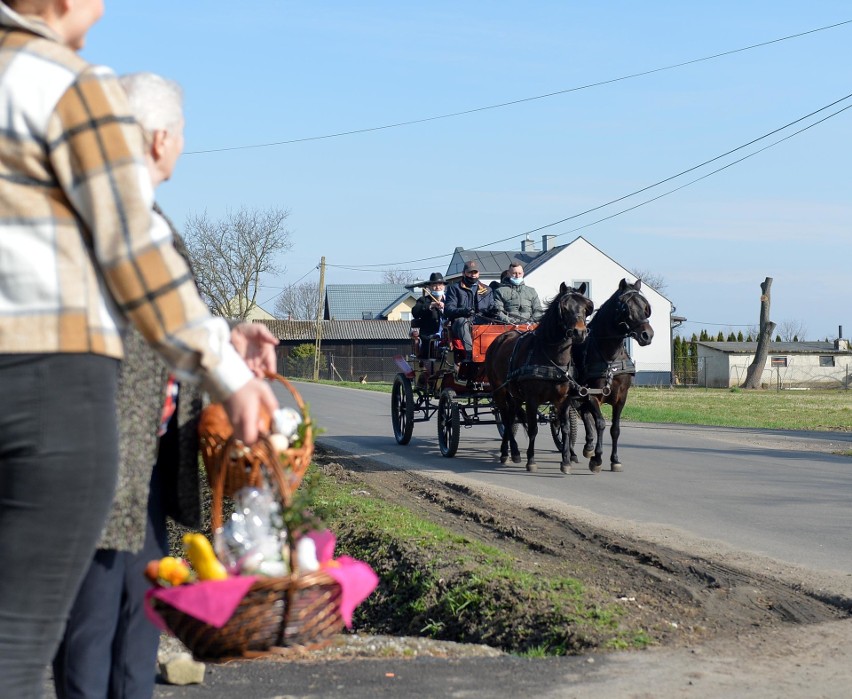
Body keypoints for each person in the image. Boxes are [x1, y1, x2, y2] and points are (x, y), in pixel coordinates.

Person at [0, 4, 276, 696]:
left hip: (139, 465)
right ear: (156, 140)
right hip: (82, 430)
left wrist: (223, 335)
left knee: (125, 629)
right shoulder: (61, 84)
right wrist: (228, 370)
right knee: (58, 643)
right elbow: (135, 275)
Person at [444, 260, 494, 360]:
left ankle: (494, 354)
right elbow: (448, 309)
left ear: (478, 273)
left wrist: (494, 311)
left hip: (481, 321)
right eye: (470, 272)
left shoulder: (487, 290)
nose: (473, 275)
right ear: (464, 273)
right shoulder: (454, 288)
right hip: (459, 325)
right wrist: (463, 311)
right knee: (462, 321)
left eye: (475, 272)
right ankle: (470, 353)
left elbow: (492, 307)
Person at [410, 272, 446, 359]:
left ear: (444, 286)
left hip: (447, 335)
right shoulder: (423, 300)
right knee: (429, 344)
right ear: (429, 287)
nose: (437, 287)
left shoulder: (450, 300)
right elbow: (415, 312)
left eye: (440, 284)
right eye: (434, 284)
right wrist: (431, 305)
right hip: (429, 336)